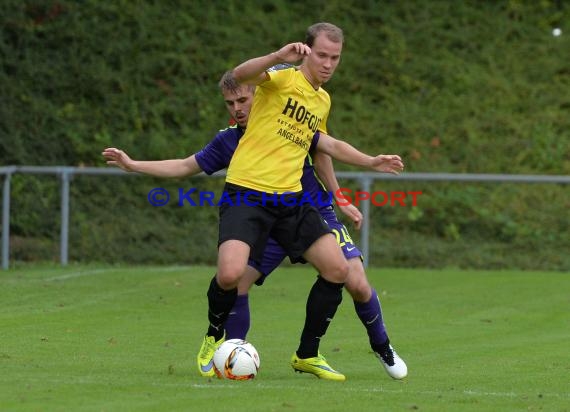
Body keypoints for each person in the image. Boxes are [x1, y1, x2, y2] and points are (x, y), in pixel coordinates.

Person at [104, 22, 404, 381]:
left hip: (292, 200)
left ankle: (308, 353)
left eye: (334, 58)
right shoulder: (280, 77)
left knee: (340, 270)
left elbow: (326, 145)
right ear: (307, 50)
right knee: (230, 275)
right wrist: (132, 164)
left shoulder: (321, 99)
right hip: (247, 194)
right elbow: (240, 75)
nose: (327, 63)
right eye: (322, 55)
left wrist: (370, 161)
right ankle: (216, 334)